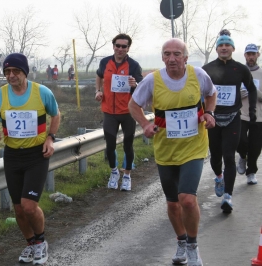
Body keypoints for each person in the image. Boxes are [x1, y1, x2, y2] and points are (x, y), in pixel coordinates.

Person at [129, 38, 216, 266]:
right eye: (167, 54)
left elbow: (211, 93)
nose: (172, 58)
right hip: (166, 151)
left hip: (194, 147)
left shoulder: (197, 75)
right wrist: (145, 125)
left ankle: (193, 247)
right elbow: (133, 104)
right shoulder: (153, 80)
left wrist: (210, 113)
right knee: (172, 203)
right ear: (162, 58)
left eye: (177, 54)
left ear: (185, 58)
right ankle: (181, 240)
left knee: (187, 199)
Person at [0, 53, 60, 265]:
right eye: (7, 72)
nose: (11, 75)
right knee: (17, 209)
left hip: (37, 154)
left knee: (28, 206)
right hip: (13, 155)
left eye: (16, 71)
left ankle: (41, 242)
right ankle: (31, 244)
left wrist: (51, 139)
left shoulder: (42, 92)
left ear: (24, 72)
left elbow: (56, 114)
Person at [202, 30, 257, 213]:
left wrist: (252, 112)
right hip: (213, 118)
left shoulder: (240, 69)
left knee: (229, 156)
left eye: (227, 45)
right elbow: (198, 92)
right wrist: (200, 113)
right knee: (216, 156)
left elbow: (251, 89)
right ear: (217, 48)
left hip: (233, 117)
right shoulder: (207, 69)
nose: (224, 47)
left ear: (233, 48)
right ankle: (218, 177)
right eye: (221, 45)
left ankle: (228, 196)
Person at [95, 33, 143, 191]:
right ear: (113, 46)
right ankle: (114, 172)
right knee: (110, 145)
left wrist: (134, 83)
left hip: (128, 111)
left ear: (128, 48)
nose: (120, 49)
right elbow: (99, 75)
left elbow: (141, 85)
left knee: (128, 146)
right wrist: (98, 91)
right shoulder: (105, 62)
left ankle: (127, 175)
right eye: (118, 45)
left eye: (124, 46)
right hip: (109, 111)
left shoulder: (134, 65)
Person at [236, 43, 262, 185]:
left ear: (258, 55)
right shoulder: (239, 72)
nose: (251, 57)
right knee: (241, 140)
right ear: (245, 55)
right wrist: (238, 94)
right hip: (241, 113)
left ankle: (251, 172)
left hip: (258, 116)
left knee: (256, 146)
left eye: (253, 54)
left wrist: (255, 92)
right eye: (248, 54)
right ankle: (242, 156)